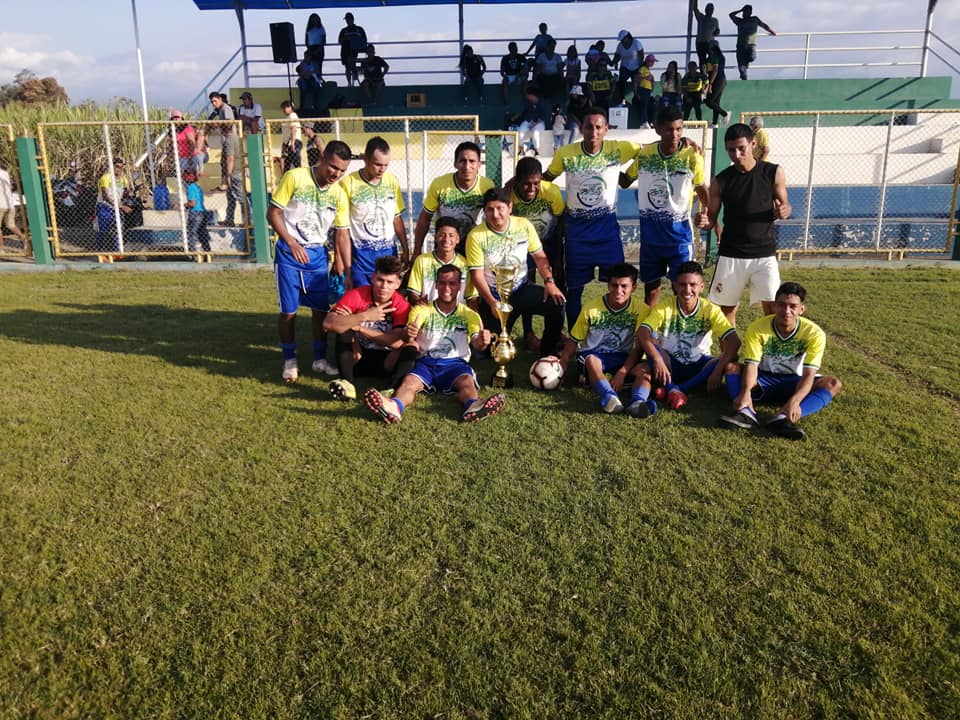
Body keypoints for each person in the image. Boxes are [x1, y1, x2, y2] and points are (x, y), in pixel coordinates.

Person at [363, 264, 505, 425]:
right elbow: (409, 336)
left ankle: (473, 405)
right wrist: (409, 333)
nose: (447, 288)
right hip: (425, 362)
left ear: (459, 286)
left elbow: (477, 343)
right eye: (442, 283)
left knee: (466, 382)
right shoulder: (421, 310)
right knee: (409, 382)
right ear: (436, 285)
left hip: (455, 363)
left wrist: (483, 341)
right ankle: (394, 406)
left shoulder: (470, 315)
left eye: (452, 283)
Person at [542, 107, 639, 327]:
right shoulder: (566, 153)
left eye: (598, 127)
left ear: (606, 129)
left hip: (607, 234)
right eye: (588, 127)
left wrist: (627, 177)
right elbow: (546, 179)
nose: (593, 132)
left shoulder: (619, 149)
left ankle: (614, 333)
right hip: (577, 235)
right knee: (574, 290)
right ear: (581, 128)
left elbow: (648, 151)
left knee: (619, 287)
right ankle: (575, 337)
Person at [267, 140, 352, 383]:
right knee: (288, 311)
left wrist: (347, 270)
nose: (336, 174)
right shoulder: (295, 177)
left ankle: (319, 359)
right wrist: (291, 243)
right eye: (333, 167)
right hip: (289, 254)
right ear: (322, 158)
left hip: (317, 257)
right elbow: (273, 213)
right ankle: (289, 360)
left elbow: (342, 233)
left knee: (320, 310)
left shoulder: (338, 193)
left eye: (342, 170)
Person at [720, 282, 842, 440]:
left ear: (801, 309)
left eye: (793, 306)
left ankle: (782, 418)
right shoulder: (757, 328)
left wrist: (795, 401)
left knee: (833, 384)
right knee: (732, 368)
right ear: (774, 306)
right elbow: (752, 365)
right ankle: (745, 412)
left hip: (794, 381)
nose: (787, 311)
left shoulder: (814, 333)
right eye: (782, 305)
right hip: (762, 380)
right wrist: (745, 392)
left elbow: (809, 373)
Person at [620, 107, 709, 307]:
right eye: (669, 129)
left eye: (679, 129)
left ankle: (680, 326)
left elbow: (702, 188)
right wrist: (604, 166)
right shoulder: (645, 155)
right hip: (651, 239)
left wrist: (706, 212)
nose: (675, 134)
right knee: (651, 290)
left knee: (684, 290)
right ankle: (650, 326)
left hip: (680, 239)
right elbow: (625, 181)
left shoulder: (692, 156)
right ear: (658, 129)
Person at [705, 123, 791, 327]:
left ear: (753, 144)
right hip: (731, 253)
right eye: (731, 150)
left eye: (741, 148)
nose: (736, 154)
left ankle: (767, 349)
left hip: (764, 253)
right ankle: (729, 348)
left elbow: (785, 205)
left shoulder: (773, 172)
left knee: (773, 309)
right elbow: (710, 219)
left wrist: (784, 210)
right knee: (726, 312)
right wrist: (704, 221)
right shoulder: (720, 181)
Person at [466, 187, 566, 358]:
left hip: (521, 290)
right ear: (484, 211)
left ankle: (548, 352)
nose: (495, 214)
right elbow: (477, 275)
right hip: (495, 297)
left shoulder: (523, 225)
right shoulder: (476, 236)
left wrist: (549, 282)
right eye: (490, 209)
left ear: (510, 207)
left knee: (556, 302)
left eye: (500, 208)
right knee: (488, 353)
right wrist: (492, 303)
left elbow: (539, 257)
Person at [635, 261, 740, 411]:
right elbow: (642, 331)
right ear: (675, 286)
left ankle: (674, 388)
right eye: (682, 285)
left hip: (700, 366)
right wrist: (657, 359)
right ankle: (673, 388)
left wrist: (718, 371)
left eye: (693, 285)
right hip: (669, 365)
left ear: (702, 287)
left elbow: (734, 341)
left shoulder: (710, 309)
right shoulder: (666, 306)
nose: (687, 290)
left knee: (730, 357)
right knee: (650, 343)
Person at [554, 263, 652, 415]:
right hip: (594, 354)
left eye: (624, 286)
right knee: (592, 360)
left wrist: (623, 372)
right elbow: (574, 339)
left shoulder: (642, 310)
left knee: (645, 370)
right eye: (614, 285)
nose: (618, 291)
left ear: (633, 287)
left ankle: (638, 402)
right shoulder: (591, 308)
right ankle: (609, 397)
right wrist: (564, 362)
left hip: (622, 357)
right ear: (608, 285)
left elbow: (640, 346)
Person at [323, 255, 414, 401]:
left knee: (411, 347)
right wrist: (364, 316)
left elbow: (397, 342)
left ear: (398, 284)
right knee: (343, 330)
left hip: (386, 362)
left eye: (389, 282)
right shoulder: (357, 295)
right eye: (380, 280)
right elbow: (328, 323)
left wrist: (359, 327)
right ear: (372, 278)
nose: (384, 286)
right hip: (357, 358)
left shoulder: (401, 305)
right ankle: (347, 384)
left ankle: (392, 388)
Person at [338, 136, 410, 290]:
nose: (382, 169)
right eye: (378, 164)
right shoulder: (348, 183)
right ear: (365, 159)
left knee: (387, 297)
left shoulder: (392, 181)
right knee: (363, 298)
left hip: (388, 253)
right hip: (361, 255)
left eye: (386, 165)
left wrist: (405, 249)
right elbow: (341, 228)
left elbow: (396, 218)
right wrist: (341, 261)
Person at [509, 157, 566, 351]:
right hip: (523, 245)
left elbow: (560, 223)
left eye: (536, 183)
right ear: (517, 181)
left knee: (556, 282)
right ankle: (529, 333)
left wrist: (557, 257)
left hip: (549, 241)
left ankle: (556, 332)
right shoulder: (510, 196)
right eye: (526, 183)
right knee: (528, 285)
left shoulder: (551, 191)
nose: (532, 188)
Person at [412, 141, 494, 257]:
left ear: (479, 164)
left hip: (472, 245)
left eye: (472, 161)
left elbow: (493, 218)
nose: (467, 166)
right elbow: (425, 217)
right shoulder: (439, 184)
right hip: (445, 245)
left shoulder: (486, 186)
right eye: (462, 161)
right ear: (455, 163)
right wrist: (417, 250)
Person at [407, 217, 477, 306]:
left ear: (457, 239)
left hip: (458, 313)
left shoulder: (465, 264)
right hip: (429, 311)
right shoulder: (422, 261)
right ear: (435, 237)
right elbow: (413, 292)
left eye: (451, 235)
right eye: (442, 235)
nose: (446, 239)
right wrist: (418, 302)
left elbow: (471, 297)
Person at [208, 92, 242, 225]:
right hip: (231, 171)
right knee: (230, 197)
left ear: (220, 99)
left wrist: (228, 175)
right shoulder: (219, 110)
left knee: (241, 198)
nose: (213, 104)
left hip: (234, 172)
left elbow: (230, 159)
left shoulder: (226, 109)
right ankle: (229, 219)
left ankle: (249, 221)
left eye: (215, 101)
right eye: (212, 102)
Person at [729, 4, 776, 80]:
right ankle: (744, 79)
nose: (744, 13)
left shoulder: (754, 19)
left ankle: (746, 63)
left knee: (752, 57)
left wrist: (771, 31)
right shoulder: (740, 21)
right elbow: (731, 15)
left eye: (746, 11)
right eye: (744, 12)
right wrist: (740, 10)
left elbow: (763, 25)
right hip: (740, 46)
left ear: (750, 12)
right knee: (741, 67)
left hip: (751, 45)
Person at [95, 158, 130, 256]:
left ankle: (117, 251)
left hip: (117, 207)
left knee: (118, 229)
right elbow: (105, 196)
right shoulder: (106, 178)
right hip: (105, 207)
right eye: (117, 167)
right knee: (103, 230)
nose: (119, 169)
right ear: (112, 167)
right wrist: (121, 206)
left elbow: (126, 192)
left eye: (121, 167)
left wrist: (128, 193)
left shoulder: (123, 179)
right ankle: (101, 251)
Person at [182, 168, 211, 259]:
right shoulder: (197, 186)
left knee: (192, 233)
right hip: (202, 212)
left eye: (185, 176)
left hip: (195, 213)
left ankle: (194, 254)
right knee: (202, 233)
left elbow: (192, 203)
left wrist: (183, 205)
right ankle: (207, 252)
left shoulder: (190, 187)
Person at [613, 30, 644, 103]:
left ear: (627, 37)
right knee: (621, 82)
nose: (622, 41)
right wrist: (615, 62)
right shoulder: (620, 45)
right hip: (624, 67)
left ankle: (636, 99)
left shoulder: (636, 43)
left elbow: (641, 55)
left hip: (636, 67)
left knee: (636, 84)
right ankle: (621, 99)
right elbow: (617, 55)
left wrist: (640, 67)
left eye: (622, 39)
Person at [703, 41, 729, 128]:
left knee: (709, 101)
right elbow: (710, 71)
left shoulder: (714, 57)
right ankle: (714, 123)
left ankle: (725, 114)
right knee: (716, 103)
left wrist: (710, 84)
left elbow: (715, 70)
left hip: (717, 81)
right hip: (721, 81)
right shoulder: (720, 57)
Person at [338, 12, 367, 87]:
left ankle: (355, 80)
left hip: (355, 51)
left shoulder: (359, 29)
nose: (348, 21)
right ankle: (349, 83)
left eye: (349, 19)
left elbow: (364, 41)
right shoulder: (344, 30)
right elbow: (339, 41)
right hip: (345, 51)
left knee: (352, 65)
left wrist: (354, 40)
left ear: (352, 19)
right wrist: (346, 39)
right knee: (347, 67)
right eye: (347, 20)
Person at [0, 166, 26, 245]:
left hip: (1, 204)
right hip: (10, 204)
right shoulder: (5, 173)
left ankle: (1, 248)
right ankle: (24, 239)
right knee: (11, 225)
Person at [517, 89, 547, 156]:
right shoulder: (528, 102)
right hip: (528, 120)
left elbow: (543, 116)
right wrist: (517, 116)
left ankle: (536, 151)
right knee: (520, 132)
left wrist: (535, 123)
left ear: (533, 95)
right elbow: (524, 112)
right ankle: (521, 149)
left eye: (528, 95)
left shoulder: (541, 102)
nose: (527, 96)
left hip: (539, 123)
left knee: (535, 133)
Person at [693, 2, 721, 70]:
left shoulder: (715, 20)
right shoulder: (701, 17)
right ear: (705, 9)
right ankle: (704, 74)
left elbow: (717, 31)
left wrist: (717, 32)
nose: (710, 10)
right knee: (702, 60)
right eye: (708, 9)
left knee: (711, 59)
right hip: (700, 42)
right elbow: (695, 9)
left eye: (711, 9)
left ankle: (709, 72)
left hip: (710, 43)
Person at [632, 54, 657, 128]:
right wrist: (647, 77)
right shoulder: (642, 68)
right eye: (652, 61)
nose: (653, 63)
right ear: (647, 61)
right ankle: (644, 122)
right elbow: (637, 78)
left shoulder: (647, 69)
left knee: (646, 106)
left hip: (647, 90)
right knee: (644, 107)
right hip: (643, 89)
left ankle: (646, 122)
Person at [168, 110, 196, 176]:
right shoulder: (172, 130)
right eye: (174, 118)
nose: (176, 119)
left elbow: (192, 143)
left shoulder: (187, 128)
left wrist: (190, 156)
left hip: (187, 157)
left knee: (183, 166)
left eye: (178, 117)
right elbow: (170, 145)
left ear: (182, 118)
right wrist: (169, 156)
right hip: (178, 157)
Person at [280, 100, 303, 172]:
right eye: (283, 108)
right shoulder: (288, 117)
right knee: (287, 165)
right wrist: (285, 144)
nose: (284, 109)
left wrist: (292, 143)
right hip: (288, 143)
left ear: (291, 107)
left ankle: (300, 176)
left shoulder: (292, 115)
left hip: (293, 142)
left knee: (296, 164)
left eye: (286, 107)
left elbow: (294, 129)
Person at [304, 13, 326, 78]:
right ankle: (312, 81)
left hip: (319, 48)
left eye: (315, 19)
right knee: (311, 67)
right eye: (313, 19)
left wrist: (318, 50)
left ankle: (318, 80)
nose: (314, 20)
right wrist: (309, 49)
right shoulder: (309, 29)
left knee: (318, 67)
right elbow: (306, 40)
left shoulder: (321, 29)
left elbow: (323, 41)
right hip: (311, 48)